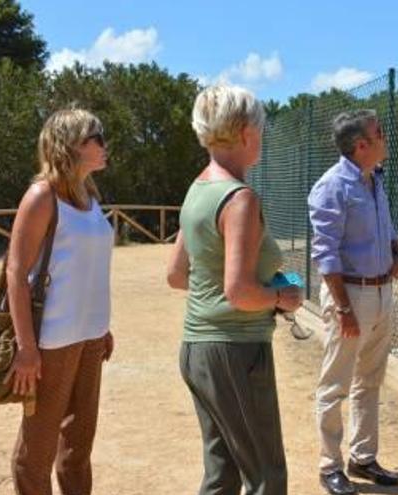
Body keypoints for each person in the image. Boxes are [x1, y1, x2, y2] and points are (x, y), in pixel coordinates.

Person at [167, 84, 302, 495]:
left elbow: (176, 275)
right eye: (260, 129)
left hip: (197, 349)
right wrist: (280, 297)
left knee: (221, 473)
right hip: (236, 351)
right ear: (246, 132)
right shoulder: (239, 198)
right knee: (265, 476)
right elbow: (239, 292)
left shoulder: (198, 190)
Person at [8, 108, 115, 494]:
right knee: (35, 452)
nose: (105, 145)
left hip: (89, 338)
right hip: (51, 343)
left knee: (78, 447)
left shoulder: (91, 196)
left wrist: (103, 328)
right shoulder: (42, 196)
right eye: (96, 137)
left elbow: (88, 270)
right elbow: (16, 274)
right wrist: (25, 347)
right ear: (70, 145)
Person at [308, 110, 398, 495]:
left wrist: (396, 252)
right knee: (335, 386)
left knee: (370, 380)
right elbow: (325, 254)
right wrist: (344, 308)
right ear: (360, 145)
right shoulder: (332, 187)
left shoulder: (374, 179)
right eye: (379, 133)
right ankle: (329, 466)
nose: (385, 138)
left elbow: (388, 225)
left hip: (381, 293)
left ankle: (363, 457)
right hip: (351, 295)